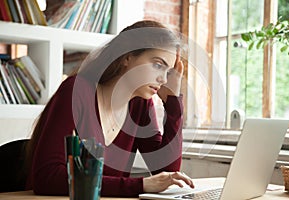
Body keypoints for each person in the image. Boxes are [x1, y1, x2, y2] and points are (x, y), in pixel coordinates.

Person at [25, 20, 194, 197]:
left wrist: (173, 102)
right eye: (158, 65)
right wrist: (140, 185)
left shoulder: (140, 105)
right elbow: (47, 178)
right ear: (127, 57)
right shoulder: (76, 91)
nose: (164, 80)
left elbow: (166, 171)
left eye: (167, 72)